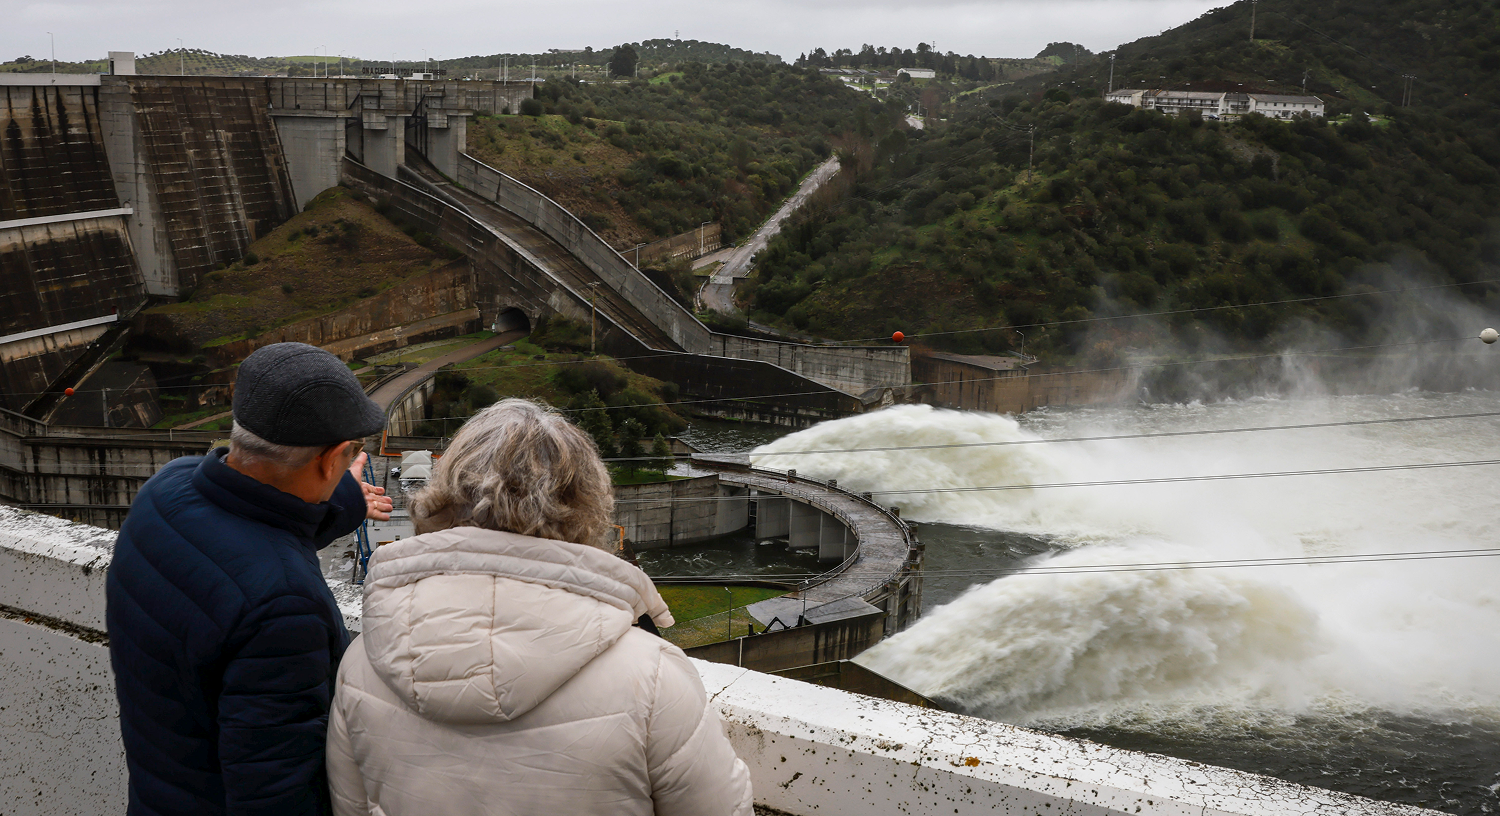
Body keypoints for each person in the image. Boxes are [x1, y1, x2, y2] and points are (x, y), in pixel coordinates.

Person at [326, 399, 753, 816]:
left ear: (442, 497)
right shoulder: (653, 677)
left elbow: (351, 805)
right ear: (585, 504)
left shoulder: (365, 659)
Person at [107, 342, 393, 816]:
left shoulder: (166, 491)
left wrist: (346, 494)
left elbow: (255, 523)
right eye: (351, 454)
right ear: (331, 458)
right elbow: (278, 796)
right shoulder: (283, 609)